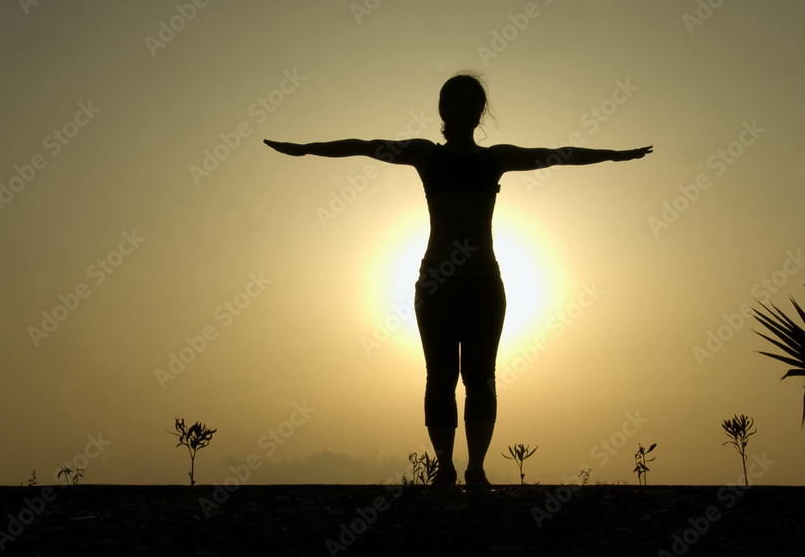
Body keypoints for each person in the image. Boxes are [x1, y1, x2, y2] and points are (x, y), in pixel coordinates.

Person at [264, 73, 652, 485]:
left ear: (480, 111)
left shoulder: (494, 159)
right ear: (444, 110)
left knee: (481, 376)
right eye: (458, 101)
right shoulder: (427, 155)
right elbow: (362, 147)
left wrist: (613, 155)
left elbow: (557, 154)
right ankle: (444, 466)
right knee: (441, 376)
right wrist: (305, 149)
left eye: (473, 102)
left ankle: (477, 468)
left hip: (485, 282)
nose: (466, 108)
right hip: (436, 284)